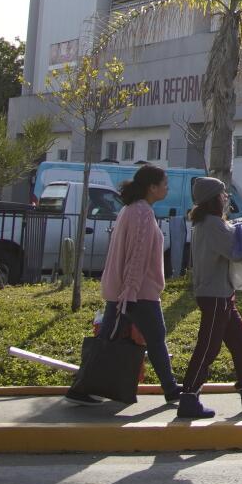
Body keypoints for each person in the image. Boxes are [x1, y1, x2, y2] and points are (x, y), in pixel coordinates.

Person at [68, 163, 180, 406]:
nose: (167, 189)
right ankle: (171, 389)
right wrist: (130, 291)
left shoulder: (131, 209)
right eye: (164, 184)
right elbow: (137, 254)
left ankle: (81, 387)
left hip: (125, 291)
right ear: (152, 187)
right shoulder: (142, 213)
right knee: (156, 337)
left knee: (108, 339)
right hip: (137, 292)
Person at [177, 175, 242, 419]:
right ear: (214, 199)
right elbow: (235, 251)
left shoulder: (207, 222)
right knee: (208, 347)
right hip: (215, 295)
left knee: (241, 339)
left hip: (220, 293)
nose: (226, 198)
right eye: (223, 194)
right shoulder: (212, 224)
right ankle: (189, 397)